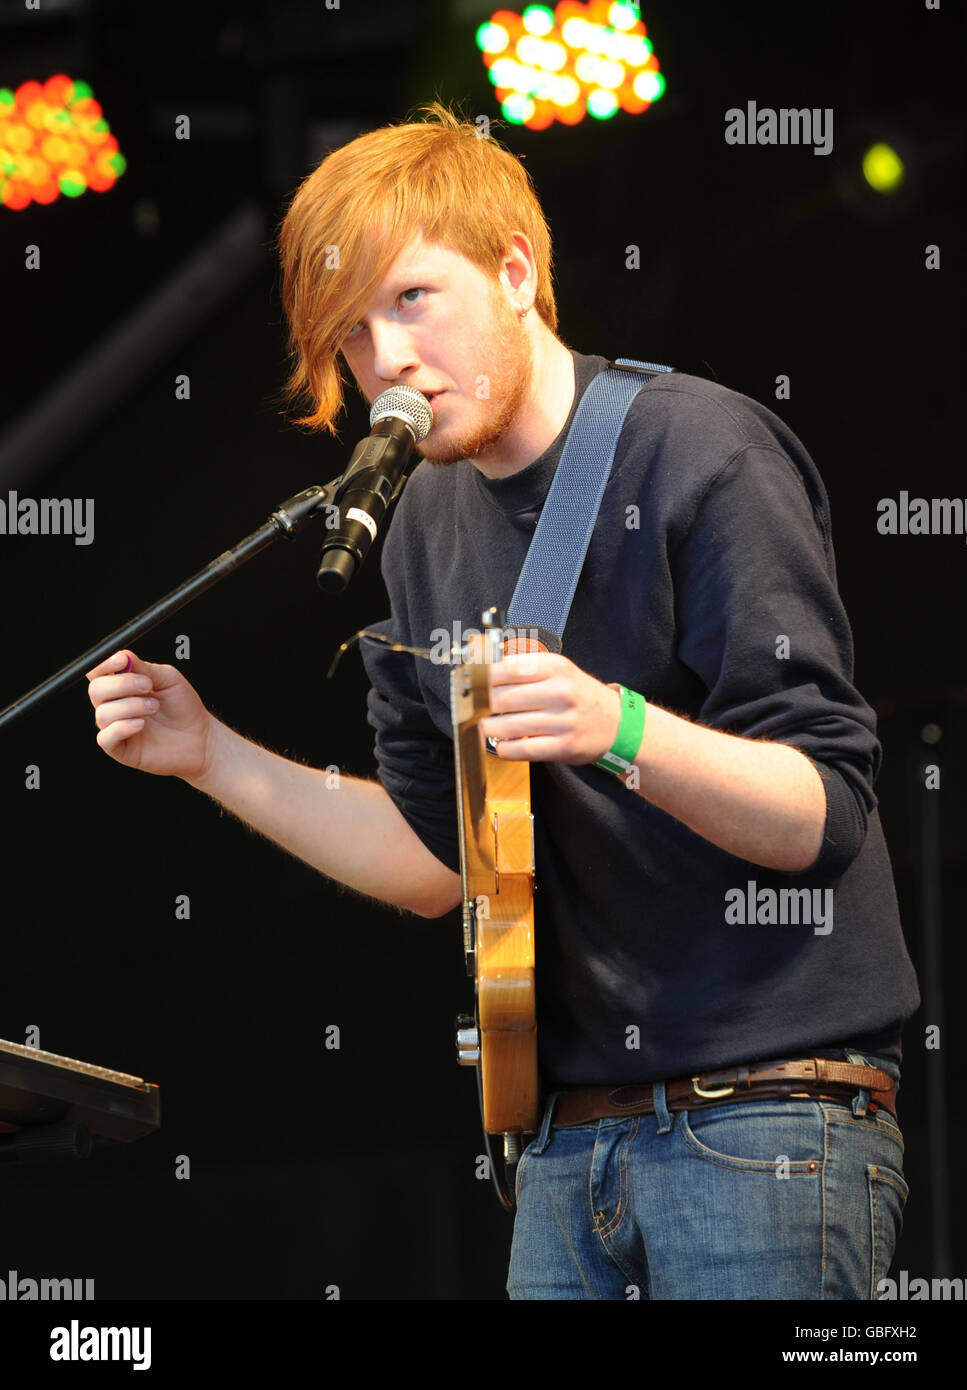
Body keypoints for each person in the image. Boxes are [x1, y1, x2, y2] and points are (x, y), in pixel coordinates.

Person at [86, 105, 920, 1300]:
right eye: (354, 335)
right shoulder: (418, 527)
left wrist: (614, 726)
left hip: (764, 1121)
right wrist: (209, 752)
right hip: (564, 1141)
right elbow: (441, 863)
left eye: (412, 299)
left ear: (516, 273)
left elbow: (821, 814)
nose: (386, 361)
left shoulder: (700, 450)